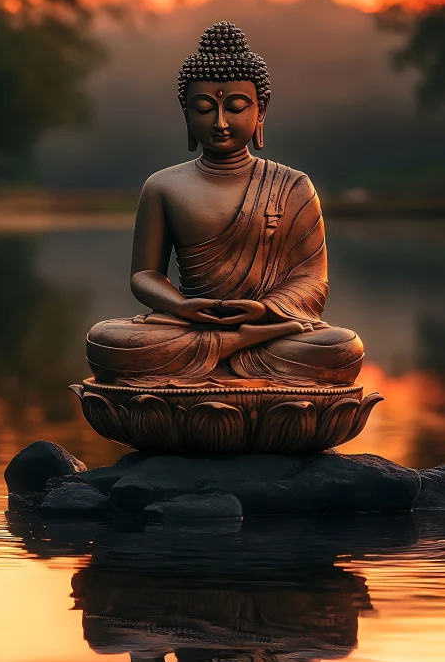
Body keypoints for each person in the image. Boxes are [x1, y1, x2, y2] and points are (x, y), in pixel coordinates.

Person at [87, 21, 364, 388]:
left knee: (341, 346)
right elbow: (145, 275)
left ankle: (232, 349)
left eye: (235, 107)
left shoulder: (294, 186)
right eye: (203, 109)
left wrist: (264, 310)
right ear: (186, 114)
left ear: (260, 111)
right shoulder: (163, 186)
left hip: (271, 328)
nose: (220, 122)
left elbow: (312, 280)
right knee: (107, 339)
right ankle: (237, 349)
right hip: (190, 324)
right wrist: (181, 306)